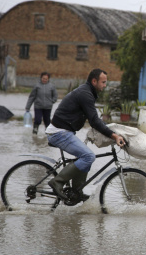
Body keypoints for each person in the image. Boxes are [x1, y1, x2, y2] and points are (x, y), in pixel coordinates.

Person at [46, 68, 125, 201]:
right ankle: (57, 182)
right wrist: (114, 136)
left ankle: (76, 191)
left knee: (85, 158)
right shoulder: (85, 94)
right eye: (103, 82)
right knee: (88, 156)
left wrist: (112, 131)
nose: (105, 86)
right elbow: (94, 121)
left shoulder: (88, 92)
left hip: (64, 131)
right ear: (94, 81)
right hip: (59, 133)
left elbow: (95, 118)